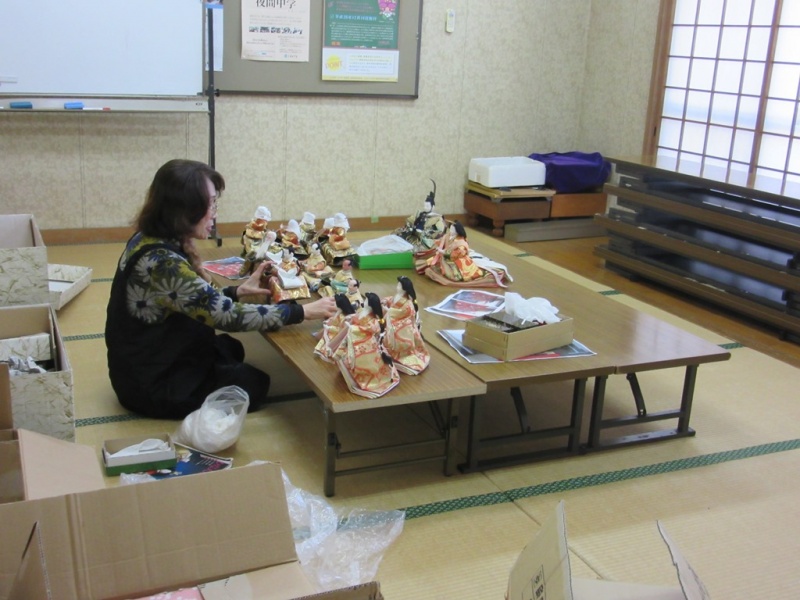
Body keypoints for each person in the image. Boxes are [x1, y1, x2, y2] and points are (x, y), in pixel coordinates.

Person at [105, 159, 337, 420]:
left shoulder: (149, 237)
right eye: (210, 204)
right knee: (254, 383)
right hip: (151, 385)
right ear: (184, 209)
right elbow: (227, 316)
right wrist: (302, 312)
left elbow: (189, 299)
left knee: (230, 349)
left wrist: (237, 292)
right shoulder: (162, 263)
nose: (214, 213)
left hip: (146, 361)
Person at [382, 276, 430, 375]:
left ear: (404, 288)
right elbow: (392, 300)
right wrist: (386, 301)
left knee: (396, 334)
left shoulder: (408, 302)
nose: (397, 286)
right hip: (392, 321)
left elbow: (402, 312)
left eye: (399, 285)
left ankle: (398, 354)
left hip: (403, 325)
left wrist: (389, 311)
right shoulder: (398, 296)